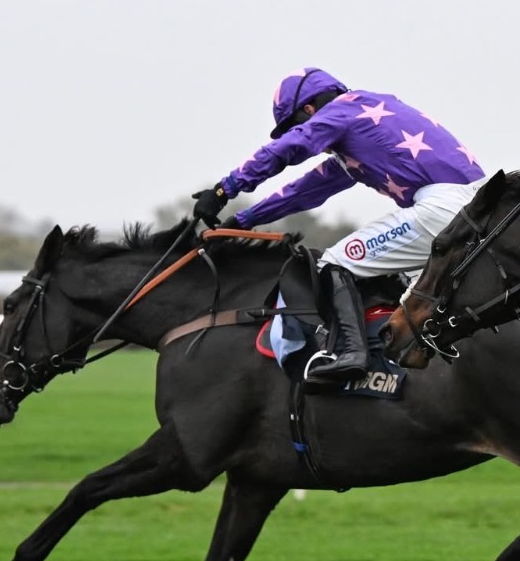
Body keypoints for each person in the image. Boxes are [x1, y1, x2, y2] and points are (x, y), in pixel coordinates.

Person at [192, 67, 485, 383]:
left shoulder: (342, 111)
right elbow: (306, 190)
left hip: (443, 209)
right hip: (479, 207)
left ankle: (350, 353)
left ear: (309, 109)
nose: (301, 130)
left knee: (335, 262)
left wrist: (224, 189)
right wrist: (243, 221)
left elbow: (288, 149)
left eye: (297, 125)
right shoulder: (363, 123)